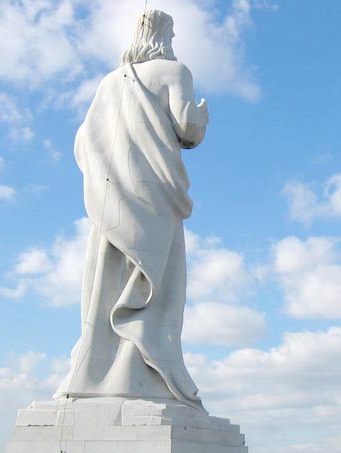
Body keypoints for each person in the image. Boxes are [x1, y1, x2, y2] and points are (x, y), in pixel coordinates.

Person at [54, 9, 208, 409]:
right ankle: (144, 374)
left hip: (112, 199)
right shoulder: (176, 72)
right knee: (157, 288)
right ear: (165, 35)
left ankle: (98, 372)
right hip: (155, 197)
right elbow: (188, 129)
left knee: (107, 286)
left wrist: (113, 169)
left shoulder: (108, 84)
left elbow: (83, 142)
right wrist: (202, 116)